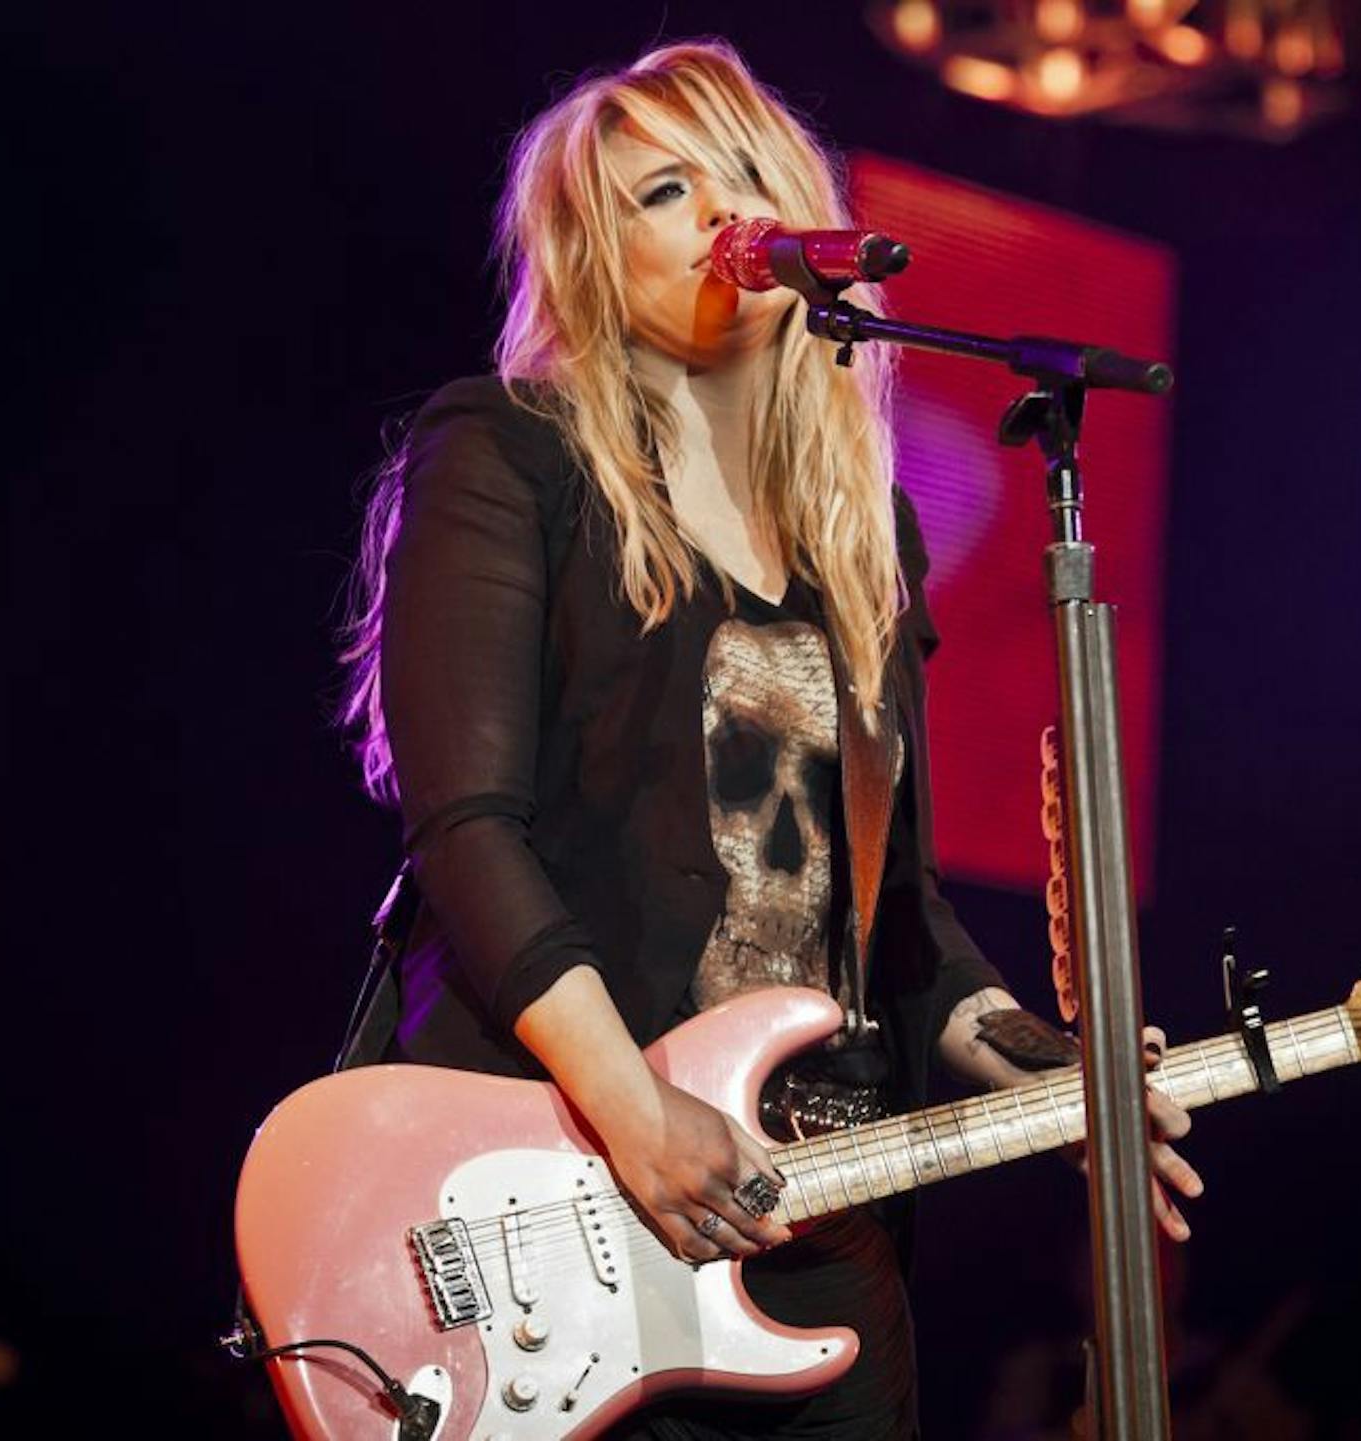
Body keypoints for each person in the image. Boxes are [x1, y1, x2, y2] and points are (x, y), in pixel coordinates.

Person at [338, 38, 1201, 1438]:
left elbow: (894, 917)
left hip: (823, 1245)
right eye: (661, 192)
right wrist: (635, 1105)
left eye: (740, 173)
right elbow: (464, 826)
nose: (720, 215)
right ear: (589, 258)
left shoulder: (867, 547)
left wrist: (1057, 1066)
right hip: (568, 1203)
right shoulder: (511, 456)